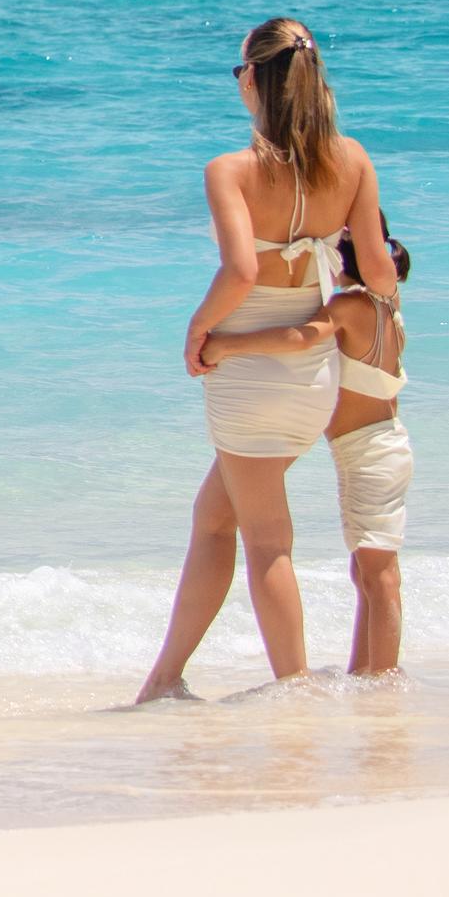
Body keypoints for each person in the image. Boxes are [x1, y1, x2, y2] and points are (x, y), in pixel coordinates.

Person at [132, 18, 400, 703]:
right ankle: (164, 680)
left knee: (268, 541)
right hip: (311, 376)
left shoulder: (230, 170)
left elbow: (241, 271)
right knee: (214, 520)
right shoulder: (353, 160)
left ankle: (295, 690)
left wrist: (199, 327)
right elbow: (377, 274)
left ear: (252, 78)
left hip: (248, 374)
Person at [190, 229, 413, 675]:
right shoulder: (387, 302)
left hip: (368, 452)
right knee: (368, 572)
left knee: (378, 574)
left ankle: (384, 684)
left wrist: (228, 344)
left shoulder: (348, 306)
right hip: (382, 446)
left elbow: (299, 338)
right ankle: (365, 674)